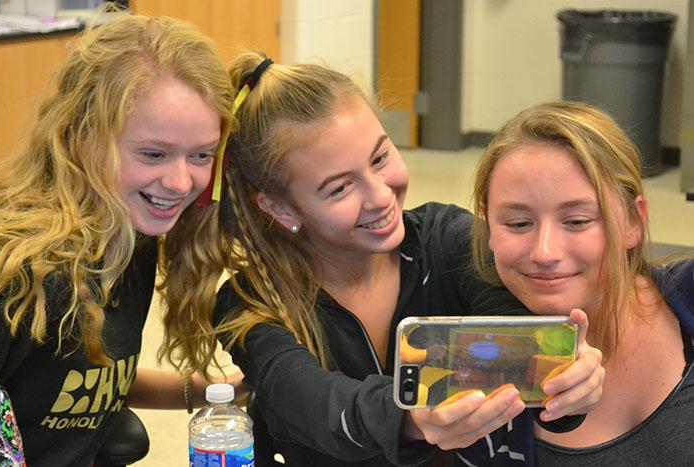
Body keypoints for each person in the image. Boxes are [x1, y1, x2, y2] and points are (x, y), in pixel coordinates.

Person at [162, 53, 604, 466]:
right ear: (282, 208)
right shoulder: (253, 304)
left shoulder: (447, 241)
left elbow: (520, 347)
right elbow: (309, 402)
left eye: (380, 157)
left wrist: (566, 385)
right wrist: (411, 418)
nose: (380, 195)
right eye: (339, 188)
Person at [0, 11, 243, 466]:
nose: (181, 181)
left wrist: (212, 391)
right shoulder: (16, 267)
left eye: (202, 154)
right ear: (83, 136)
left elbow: (69, 381)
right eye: (153, 153)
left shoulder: (130, 235)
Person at [468, 100, 694, 465]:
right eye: (518, 224)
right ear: (488, 229)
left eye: (577, 221)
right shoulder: (471, 361)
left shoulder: (686, 300)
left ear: (633, 223)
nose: (544, 252)